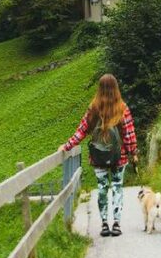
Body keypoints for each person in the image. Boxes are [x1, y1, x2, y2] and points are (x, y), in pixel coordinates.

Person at [59, 73, 138, 237]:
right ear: (116, 88)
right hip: (119, 156)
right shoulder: (122, 108)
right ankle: (116, 224)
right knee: (117, 188)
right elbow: (129, 135)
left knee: (102, 189)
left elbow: (81, 131)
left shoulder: (93, 108)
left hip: (98, 157)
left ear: (100, 89)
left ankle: (104, 225)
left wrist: (67, 146)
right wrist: (133, 153)